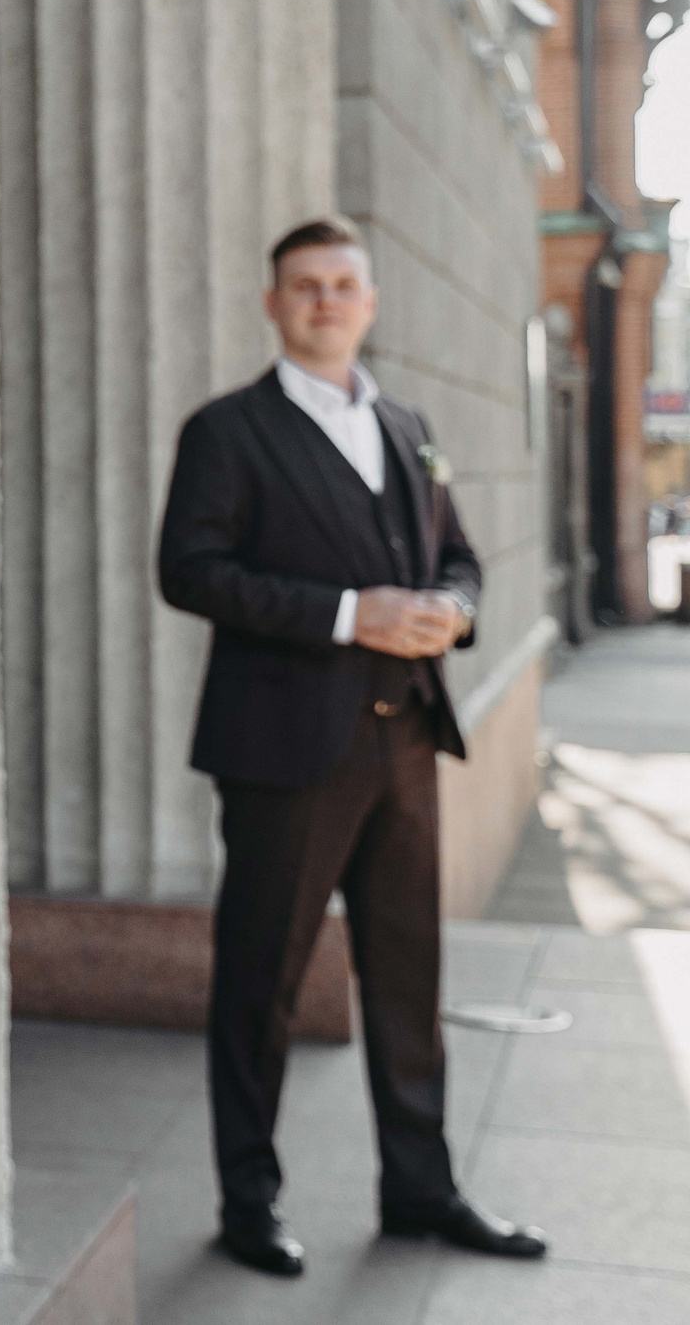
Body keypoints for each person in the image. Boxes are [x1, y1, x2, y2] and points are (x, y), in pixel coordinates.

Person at [156, 215, 547, 1278]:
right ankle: (248, 1203)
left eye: (343, 284)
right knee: (260, 983)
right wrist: (347, 613)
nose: (326, 301)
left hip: (406, 744)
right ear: (275, 305)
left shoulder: (407, 424)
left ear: (369, 303)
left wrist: (451, 614)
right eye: (305, 286)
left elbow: (458, 558)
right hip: (283, 750)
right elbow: (188, 570)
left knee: (408, 978)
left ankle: (420, 1191)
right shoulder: (226, 431)